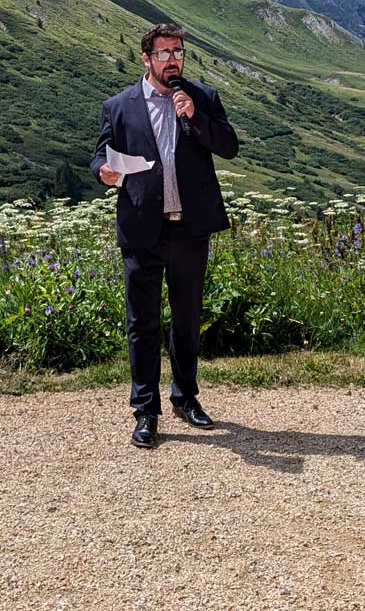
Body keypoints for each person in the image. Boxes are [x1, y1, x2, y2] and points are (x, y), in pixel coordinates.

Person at [91, 22, 239, 448]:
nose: (173, 59)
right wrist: (102, 172)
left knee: (188, 320)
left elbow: (229, 145)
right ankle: (145, 410)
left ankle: (185, 397)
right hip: (142, 228)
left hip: (190, 229)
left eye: (178, 52)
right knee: (143, 323)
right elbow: (100, 154)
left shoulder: (202, 98)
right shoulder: (119, 106)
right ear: (146, 59)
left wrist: (195, 117)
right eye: (164, 53)